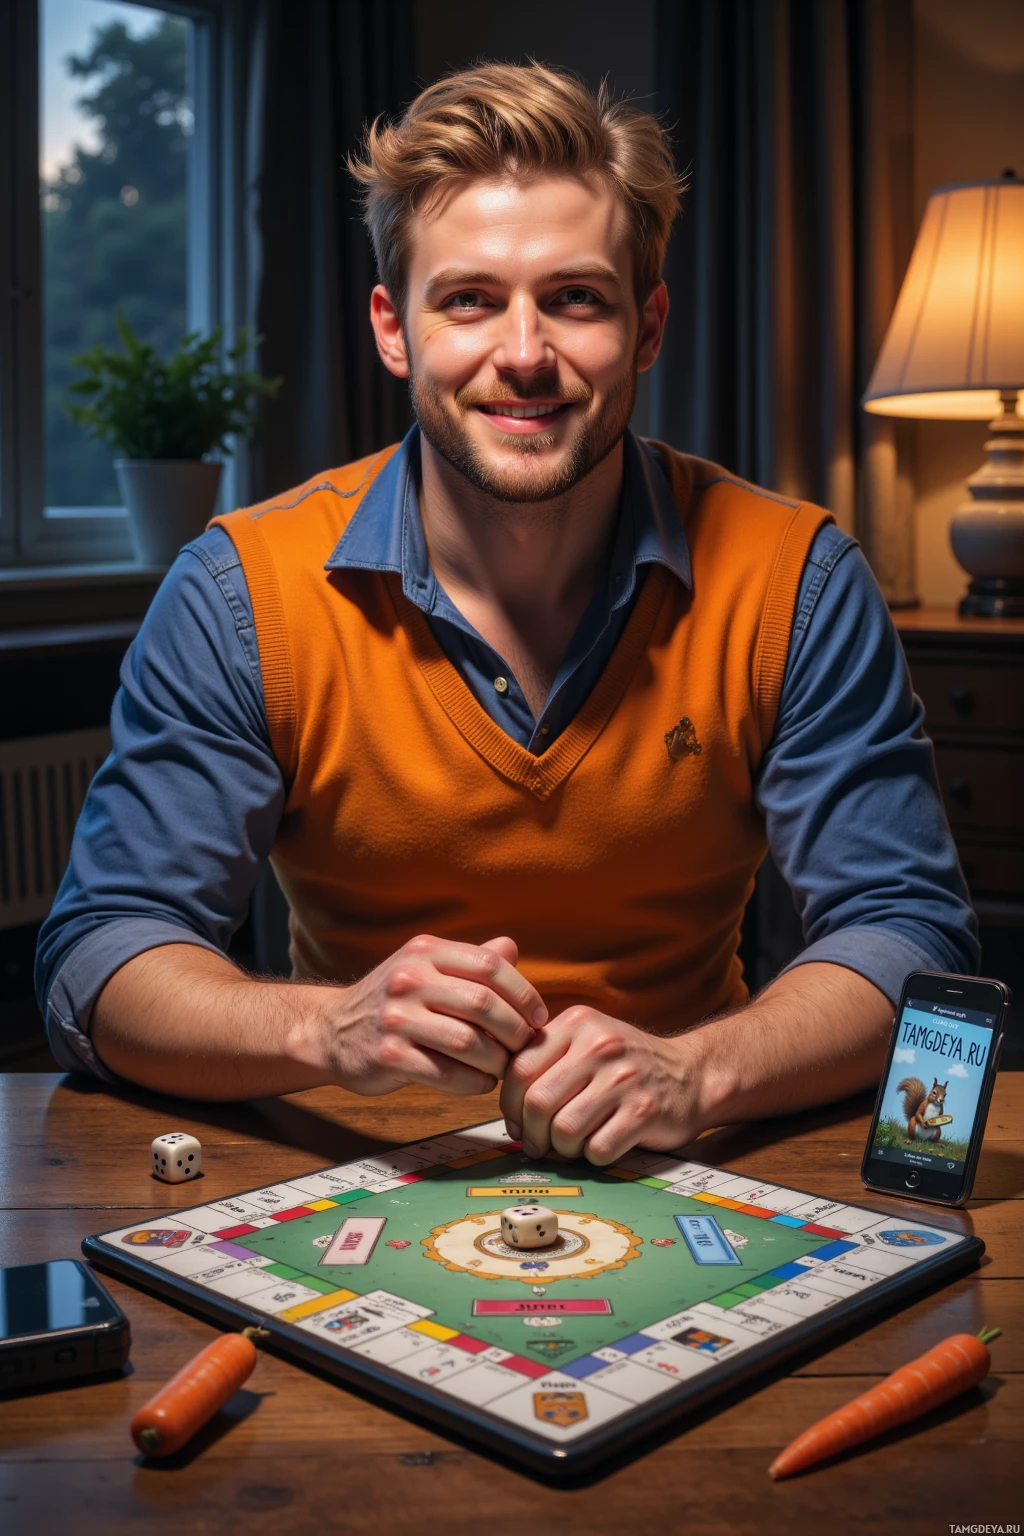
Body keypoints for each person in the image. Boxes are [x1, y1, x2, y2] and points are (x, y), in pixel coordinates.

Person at [36, 62, 976, 1166]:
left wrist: (696, 1069)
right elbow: (101, 954)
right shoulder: (241, 591)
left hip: (698, 1154)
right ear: (394, 329)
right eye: (469, 299)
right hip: (349, 1165)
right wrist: (327, 1026)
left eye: (574, 298)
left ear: (649, 323)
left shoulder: (796, 580)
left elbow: (909, 937)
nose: (522, 355)